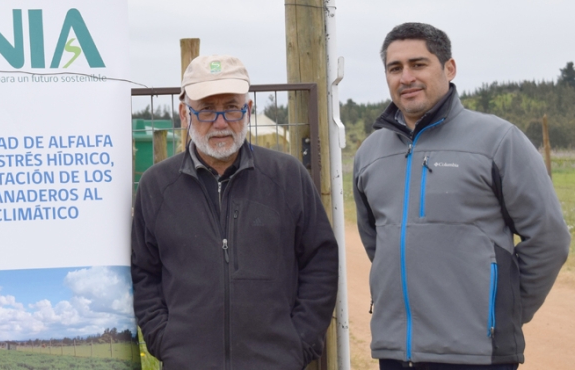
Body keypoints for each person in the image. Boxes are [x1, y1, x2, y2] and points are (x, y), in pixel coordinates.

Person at [353, 23, 570, 369]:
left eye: (418, 64)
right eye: (395, 68)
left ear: (449, 68)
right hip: (395, 353)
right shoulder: (370, 154)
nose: (406, 76)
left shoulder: (498, 140)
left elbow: (548, 238)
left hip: (477, 354)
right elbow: (377, 242)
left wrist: (503, 313)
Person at [131, 54, 339, 370]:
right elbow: (144, 273)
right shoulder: (155, 186)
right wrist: (165, 340)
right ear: (184, 114)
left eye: (231, 107)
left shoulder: (288, 177)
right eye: (207, 110)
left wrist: (299, 342)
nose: (220, 123)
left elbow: (320, 262)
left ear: (249, 110)